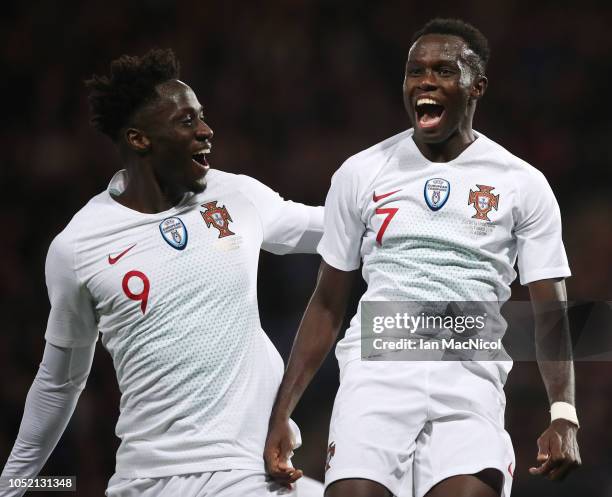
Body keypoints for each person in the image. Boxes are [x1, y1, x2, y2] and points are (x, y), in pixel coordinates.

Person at [265, 18, 581, 497]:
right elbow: (328, 303)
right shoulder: (362, 172)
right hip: (376, 377)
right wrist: (282, 412)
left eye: (443, 71)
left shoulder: (522, 183)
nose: (426, 82)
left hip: (469, 380)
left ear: (478, 86)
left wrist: (563, 413)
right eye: (415, 72)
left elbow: (549, 312)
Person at [0, 49, 324, 497]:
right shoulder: (79, 247)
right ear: (139, 139)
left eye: (202, 117)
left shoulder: (235, 195)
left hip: (248, 470)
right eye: (186, 121)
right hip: (154, 481)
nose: (206, 130)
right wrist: (12, 486)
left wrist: (408, 202)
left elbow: (328, 228)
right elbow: (59, 382)